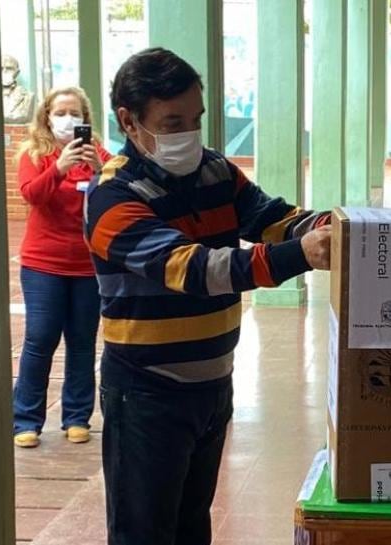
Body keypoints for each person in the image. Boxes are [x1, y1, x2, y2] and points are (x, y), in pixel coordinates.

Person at [84, 48, 332, 545]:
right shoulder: (113, 196)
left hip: (211, 388)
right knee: (145, 534)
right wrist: (300, 256)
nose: (188, 135)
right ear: (129, 122)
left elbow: (271, 217)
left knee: (191, 528)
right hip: (146, 392)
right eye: (172, 122)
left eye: (195, 119)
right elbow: (196, 269)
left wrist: (331, 226)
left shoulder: (215, 171)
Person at [12, 86, 111, 448]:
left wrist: (102, 170)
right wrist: (59, 168)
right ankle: (25, 419)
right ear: (46, 116)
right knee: (40, 338)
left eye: (76, 113)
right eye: (60, 112)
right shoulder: (35, 154)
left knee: (83, 342)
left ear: (86, 118)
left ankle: (76, 417)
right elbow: (31, 194)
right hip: (43, 264)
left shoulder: (98, 153)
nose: (68, 120)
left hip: (87, 266)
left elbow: (120, 192)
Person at [1, 54, 35, 123]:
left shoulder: (27, 96)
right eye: (0, 68)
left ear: (17, 72)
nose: (4, 72)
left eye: (9, 68)